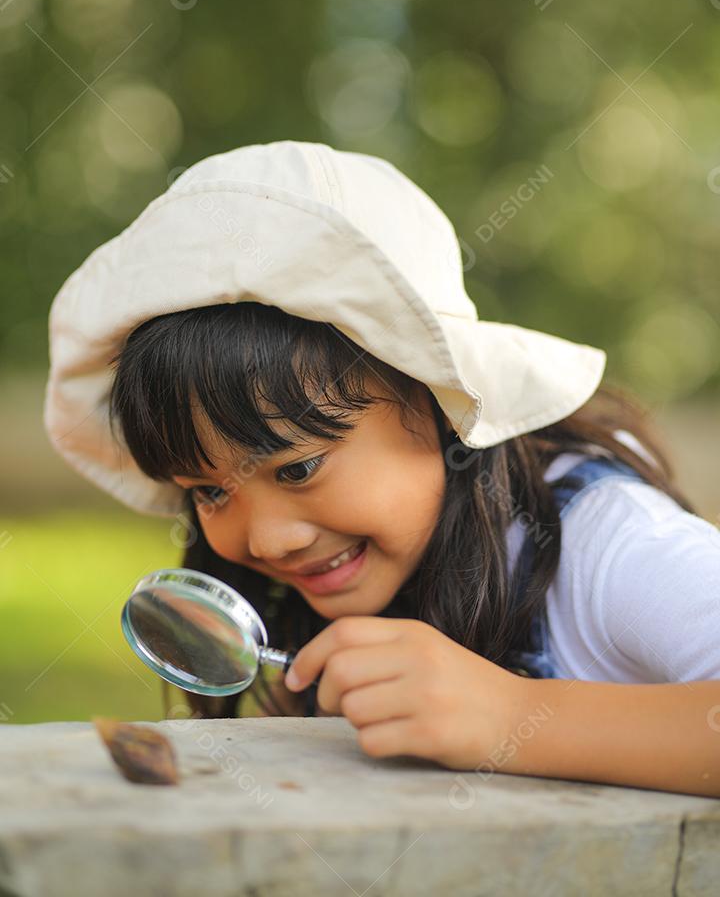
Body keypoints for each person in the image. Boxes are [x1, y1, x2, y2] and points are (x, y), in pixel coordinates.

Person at [44, 140, 720, 797]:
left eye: (299, 468)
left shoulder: (606, 546)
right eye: (211, 491)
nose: (267, 541)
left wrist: (511, 718)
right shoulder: (333, 611)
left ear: (438, 401)